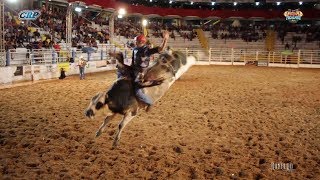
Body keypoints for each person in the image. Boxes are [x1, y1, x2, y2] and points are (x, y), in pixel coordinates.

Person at [132, 31, 169, 111]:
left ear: (140, 42)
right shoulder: (135, 49)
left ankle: (149, 102)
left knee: (136, 89)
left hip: (141, 71)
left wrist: (165, 39)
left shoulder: (147, 50)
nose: (135, 42)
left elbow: (161, 48)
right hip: (134, 69)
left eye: (136, 41)